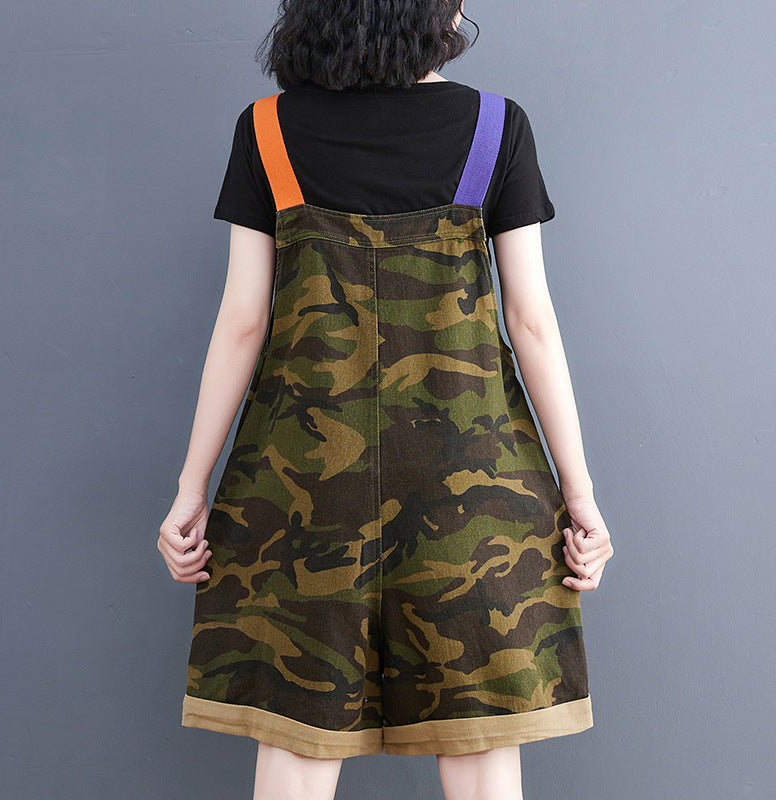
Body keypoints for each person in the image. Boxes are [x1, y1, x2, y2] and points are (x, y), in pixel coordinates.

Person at [157, 1, 614, 798]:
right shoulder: (496, 127)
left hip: (306, 488)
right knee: (481, 745)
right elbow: (532, 322)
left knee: (297, 742)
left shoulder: (268, 130)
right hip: (471, 485)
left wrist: (191, 488)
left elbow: (243, 322)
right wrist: (580, 497)